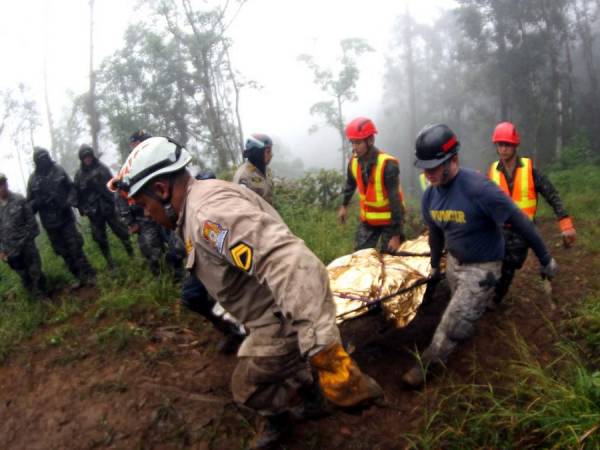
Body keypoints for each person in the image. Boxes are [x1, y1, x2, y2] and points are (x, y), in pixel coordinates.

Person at [109, 136, 383, 449]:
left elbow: (292, 263)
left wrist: (326, 353)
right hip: (270, 312)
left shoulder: (208, 216)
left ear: (161, 189)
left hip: (281, 322)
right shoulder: (204, 200)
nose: (147, 214)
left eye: (145, 205)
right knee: (269, 364)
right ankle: (310, 391)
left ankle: (283, 416)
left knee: (245, 387)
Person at [401, 124, 558, 388]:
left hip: (482, 269)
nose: (428, 173)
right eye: (425, 167)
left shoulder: (479, 189)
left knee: (453, 324)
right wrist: (435, 265)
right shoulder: (430, 196)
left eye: (434, 166)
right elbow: (436, 234)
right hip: (455, 263)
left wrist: (545, 258)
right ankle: (467, 318)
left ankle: (427, 365)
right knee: (457, 306)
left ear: (453, 160)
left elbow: (520, 221)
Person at [488, 122, 576, 304]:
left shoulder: (529, 170)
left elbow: (552, 195)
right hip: (498, 229)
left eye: (507, 144)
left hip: (523, 230)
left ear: (515, 145)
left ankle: (496, 297)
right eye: (500, 145)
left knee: (510, 264)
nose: (503, 149)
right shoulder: (493, 171)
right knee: (489, 262)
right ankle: (488, 294)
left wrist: (566, 224)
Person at [27, 147, 96, 288]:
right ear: (36, 162)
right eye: (41, 158)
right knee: (63, 252)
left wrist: (69, 201)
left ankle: (89, 275)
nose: (44, 160)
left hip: (65, 218)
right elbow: (29, 206)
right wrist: (37, 202)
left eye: (45, 157)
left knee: (76, 247)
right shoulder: (33, 180)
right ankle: (78, 277)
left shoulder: (58, 170)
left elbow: (71, 188)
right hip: (50, 224)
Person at [338, 117, 406, 253]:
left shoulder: (387, 164)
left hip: (390, 222)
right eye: (352, 143)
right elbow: (350, 185)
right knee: (360, 257)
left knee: (391, 260)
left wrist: (396, 235)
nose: (354, 147)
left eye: (358, 143)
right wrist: (344, 206)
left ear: (370, 140)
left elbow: (395, 200)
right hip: (368, 221)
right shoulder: (354, 162)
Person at [74, 144, 133, 268]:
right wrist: (81, 207)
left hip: (108, 207)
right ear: (82, 159)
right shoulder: (79, 175)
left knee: (121, 231)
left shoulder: (102, 168)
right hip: (93, 212)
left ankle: (132, 254)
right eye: (85, 157)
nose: (87, 159)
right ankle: (110, 262)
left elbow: (114, 186)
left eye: (89, 156)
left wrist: (115, 201)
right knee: (100, 238)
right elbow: (77, 194)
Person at [0, 173, 47, 298]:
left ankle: (42, 296)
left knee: (35, 271)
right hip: (10, 250)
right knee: (23, 275)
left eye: (2, 184)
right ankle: (33, 298)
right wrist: (1, 251)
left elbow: (31, 220)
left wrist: (28, 239)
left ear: (6, 184)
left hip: (26, 244)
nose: (1, 188)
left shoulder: (19, 199)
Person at [233, 134, 274, 205]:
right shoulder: (243, 176)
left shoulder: (266, 170)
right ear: (257, 152)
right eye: (268, 151)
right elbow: (241, 208)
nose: (271, 154)